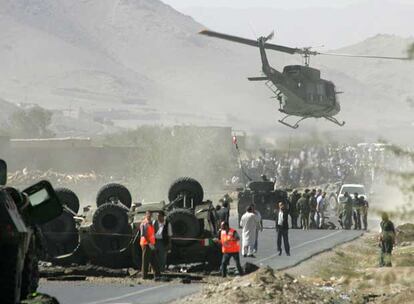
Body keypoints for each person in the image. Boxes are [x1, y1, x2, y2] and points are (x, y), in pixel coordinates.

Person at [140, 211, 161, 280]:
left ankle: (157, 274)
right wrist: (149, 243)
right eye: (148, 214)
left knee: (154, 260)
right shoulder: (144, 223)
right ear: (146, 215)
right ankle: (144, 276)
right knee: (145, 260)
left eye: (150, 215)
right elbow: (143, 234)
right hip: (146, 244)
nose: (149, 216)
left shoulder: (151, 223)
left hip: (151, 244)